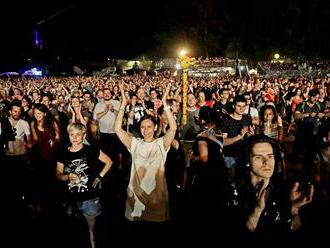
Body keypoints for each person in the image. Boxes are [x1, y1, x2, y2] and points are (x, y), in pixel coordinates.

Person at [115, 80, 177, 235]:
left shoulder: (161, 144)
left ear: (155, 127)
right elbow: (117, 129)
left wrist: (165, 103)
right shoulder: (134, 143)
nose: (145, 130)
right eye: (143, 127)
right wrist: (123, 103)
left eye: (149, 126)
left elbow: (173, 128)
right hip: (136, 196)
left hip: (157, 196)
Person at [227, 135, 314, 234]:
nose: (266, 162)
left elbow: (295, 227)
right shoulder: (233, 191)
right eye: (259, 157)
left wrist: (294, 209)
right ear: (247, 161)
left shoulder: (285, 188)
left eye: (270, 156)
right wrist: (257, 210)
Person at [56, 122, 112, 248]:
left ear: (83, 135)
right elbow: (58, 173)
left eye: (78, 135)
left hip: (90, 198)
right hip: (71, 199)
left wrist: (99, 177)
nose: (75, 138)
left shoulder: (91, 150)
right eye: (72, 135)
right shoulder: (63, 153)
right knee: (75, 230)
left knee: (92, 230)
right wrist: (66, 176)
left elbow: (109, 161)